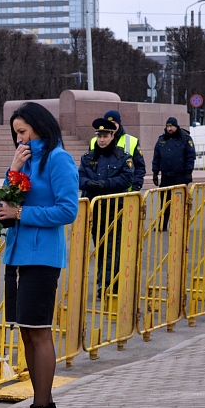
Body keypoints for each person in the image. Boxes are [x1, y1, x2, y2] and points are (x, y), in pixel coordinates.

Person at [0, 102, 78, 408]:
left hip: (42, 257)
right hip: (17, 255)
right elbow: (6, 202)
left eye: (23, 131)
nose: (19, 138)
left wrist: (21, 213)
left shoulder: (58, 159)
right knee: (26, 333)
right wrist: (12, 169)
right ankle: (45, 407)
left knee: (39, 333)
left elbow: (68, 209)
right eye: (15, 133)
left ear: (40, 128)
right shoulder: (24, 158)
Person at [78, 119, 134, 298]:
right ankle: (104, 281)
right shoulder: (88, 157)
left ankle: (108, 285)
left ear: (112, 136)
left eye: (105, 136)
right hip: (95, 210)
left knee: (113, 248)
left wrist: (103, 184)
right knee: (100, 248)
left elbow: (126, 179)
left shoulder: (122, 157)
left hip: (114, 209)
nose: (102, 140)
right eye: (99, 136)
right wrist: (90, 183)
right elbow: (79, 178)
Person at [152, 117, 196, 230]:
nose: (169, 129)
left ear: (176, 126)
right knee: (165, 201)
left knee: (179, 202)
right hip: (166, 176)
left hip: (180, 176)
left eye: (171, 126)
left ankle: (179, 225)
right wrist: (155, 173)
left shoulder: (185, 138)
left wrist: (188, 173)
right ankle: (163, 225)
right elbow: (156, 157)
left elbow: (190, 156)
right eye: (168, 126)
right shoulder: (161, 140)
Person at [89, 110, 145, 191]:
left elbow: (139, 167)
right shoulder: (94, 141)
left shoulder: (132, 140)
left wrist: (136, 186)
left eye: (114, 123)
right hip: (99, 192)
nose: (111, 125)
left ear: (119, 123)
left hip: (126, 191)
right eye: (108, 122)